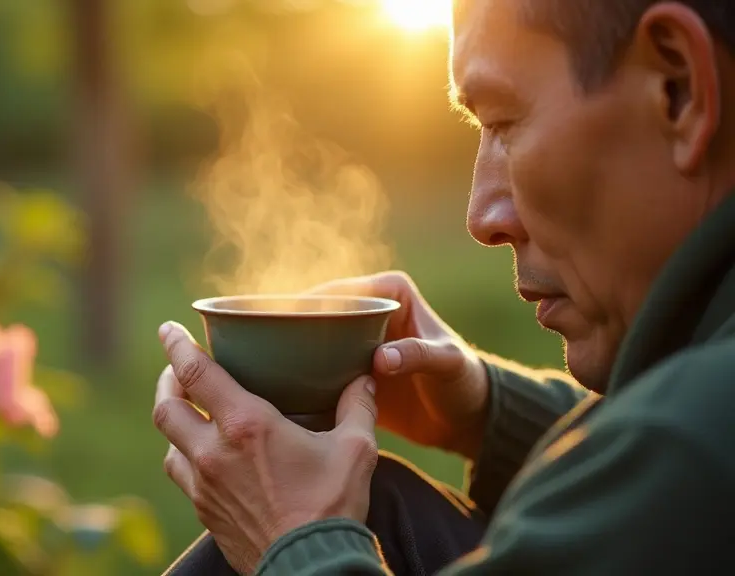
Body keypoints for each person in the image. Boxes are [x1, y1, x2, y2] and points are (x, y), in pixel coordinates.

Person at [152, 0, 735, 574]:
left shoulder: (691, 449)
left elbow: (681, 451)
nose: (483, 218)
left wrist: (293, 537)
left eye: (505, 123)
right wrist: (487, 412)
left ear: (677, 87)